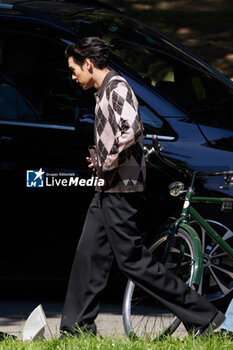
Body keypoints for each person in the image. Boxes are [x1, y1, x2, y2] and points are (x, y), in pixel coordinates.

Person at [60, 36, 225, 338]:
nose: (73, 77)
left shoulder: (116, 88)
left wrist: (107, 162)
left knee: (134, 262)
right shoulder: (104, 91)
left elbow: (133, 129)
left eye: (74, 70)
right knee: (89, 255)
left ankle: (205, 318)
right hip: (108, 187)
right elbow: (119, 136)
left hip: (122, 189)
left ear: (87, 63)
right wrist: (100, 159)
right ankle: (76, 327)